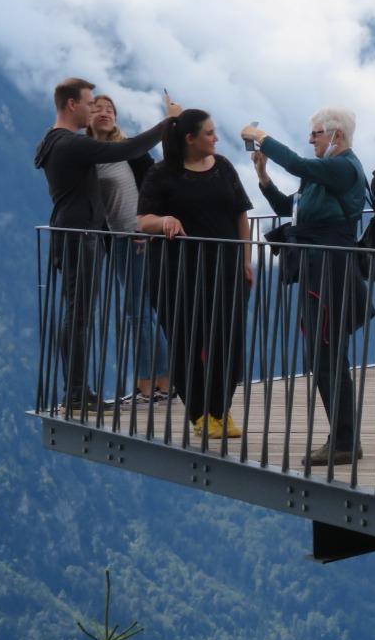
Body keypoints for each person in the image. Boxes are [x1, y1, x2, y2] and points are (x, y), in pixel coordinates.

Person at [34, 78, 177, 415]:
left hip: (73, 234)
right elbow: (125, 150)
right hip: (80, 235)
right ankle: (77, 392)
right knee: (79, 315)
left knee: (77, 313)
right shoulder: (70, 144)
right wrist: (168, 123)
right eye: (88, 104)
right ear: (72, 105)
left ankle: (78, 389)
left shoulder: (53, 142)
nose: (92, 110)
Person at [243, 108, 369, 467]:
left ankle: (344, 440)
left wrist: (262, 137)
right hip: (319, 268)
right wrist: (263, 176)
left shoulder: (343, 167)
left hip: (329, 269)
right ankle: (342, 436)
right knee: (322, 354)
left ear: (336, 137)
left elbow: (297, 164)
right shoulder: (326, 173)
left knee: (326, 353)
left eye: (316, 134)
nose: (311, 139)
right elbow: (290, 209)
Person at [136, 109, 254, 442]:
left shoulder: (225, 168)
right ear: (190, 139)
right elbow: (143, 220)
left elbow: (240, 214)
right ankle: (201, 414)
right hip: (177, 274)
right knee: (188, 343)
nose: (216, 138)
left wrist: (246, 259)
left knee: (227, 343)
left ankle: (220, 410)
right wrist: (165, 221)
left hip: (226, 270)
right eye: (209, 133)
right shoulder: (162, 174)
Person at [89, 95, 171, 405]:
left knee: (137, 313)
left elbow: (155, 188)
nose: (104, 113)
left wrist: (147, 228)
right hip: (119, 239)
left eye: (109, 109)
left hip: (135, 237)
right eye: (97, 108)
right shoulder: (91, 153)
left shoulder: (131, 152)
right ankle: (162, 384)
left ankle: (147, 388)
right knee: (143, 312)